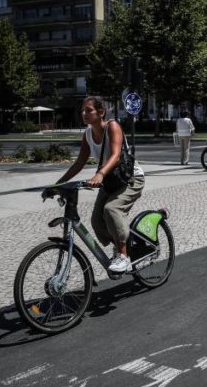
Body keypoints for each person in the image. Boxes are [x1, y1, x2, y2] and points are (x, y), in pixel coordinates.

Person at [55, 96, 146, 274]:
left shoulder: (112, 126)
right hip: (110, 181)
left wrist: (100, 173)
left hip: (130, 179)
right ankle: (125, 245)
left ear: (101, 112)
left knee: (111, 210)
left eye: (88, 110)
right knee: (97, 222)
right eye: (82, 110)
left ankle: (123, 257)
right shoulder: (88, 134)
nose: (84, 113)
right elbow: (79, 163)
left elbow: (116, 156)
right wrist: (59, 183)